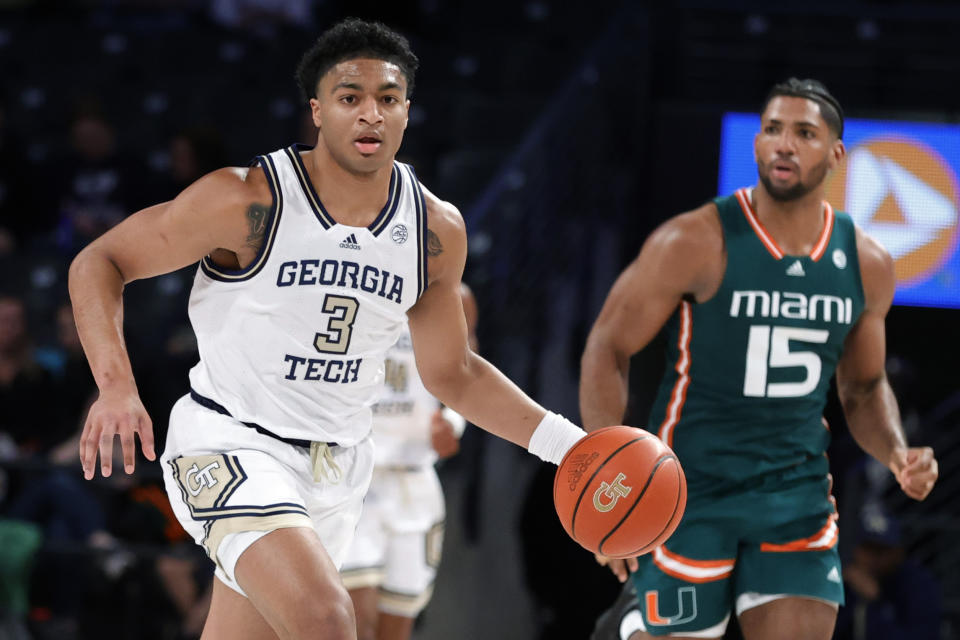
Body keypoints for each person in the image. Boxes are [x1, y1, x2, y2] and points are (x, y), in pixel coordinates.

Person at [68, 18, 584, 640]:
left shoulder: (433, 231)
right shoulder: (247, 199)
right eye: (350, 98)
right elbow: (100, 260)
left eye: (388, 99)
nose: (371, 114)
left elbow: (455, 372)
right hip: (230, 443)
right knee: (328, 621)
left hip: (337, 469)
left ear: (406, 112)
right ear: (317, 111)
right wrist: (116, 385)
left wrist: (569, 446)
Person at [580, 78, 939, 640]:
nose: (784, 144)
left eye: (803, 133)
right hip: (687, 489)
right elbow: (609, 345)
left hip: (793, 494)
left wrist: (896, 452)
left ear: (836, 154)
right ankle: (626, 619)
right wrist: (612, 472)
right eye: (772, 129)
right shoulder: (695, 240)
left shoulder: (866, 262)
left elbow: (864, 389)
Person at [340, 282, 477, 640]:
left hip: (414, 478)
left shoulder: (454, 297)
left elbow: (466, 379)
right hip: (352, 474)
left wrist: (453, 423)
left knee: (397, 627)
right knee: (353, 622)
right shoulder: (346, 276)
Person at [834, 505, 941, 640]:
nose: (874, 559)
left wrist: (874, 604)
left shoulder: (918, 584)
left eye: (881, 551)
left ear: (898, 553)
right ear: (856, 549)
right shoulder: (845, 580)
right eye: (868, 549)